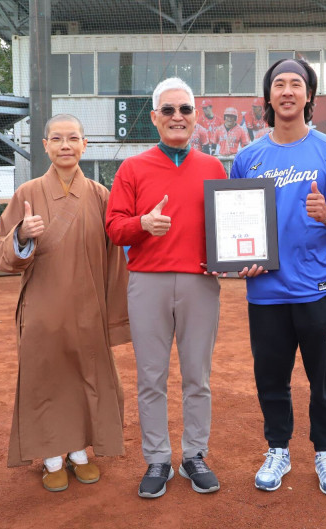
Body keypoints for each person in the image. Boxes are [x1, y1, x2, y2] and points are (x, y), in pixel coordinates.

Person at [230, 58, 326, 496]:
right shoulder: (247, 158)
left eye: (296, 84)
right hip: (265, 291)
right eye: (279, 84)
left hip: (318, 288)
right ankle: (278, 448)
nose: (287, 91)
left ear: (309, 96)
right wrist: (238, 259)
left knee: (323, 379)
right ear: (268, 97)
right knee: (271, 378)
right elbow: (236, 225)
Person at [0, 113, 131, 493]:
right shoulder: (28, 193)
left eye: (73, 138)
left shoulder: (102, 195)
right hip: (43, 308)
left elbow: (115, 258)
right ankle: (52, 457)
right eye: (57, 139)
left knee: (88, 377)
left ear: (85, 145)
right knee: (47, 379)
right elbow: (2, 254)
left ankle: (79, 451)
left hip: (89, 308)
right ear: (45, 146)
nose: (65, 145)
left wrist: (114, 316)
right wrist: (22, 234)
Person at [106, 77, 226, 498]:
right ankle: (157, 458)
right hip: (147, 282)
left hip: (200, 283)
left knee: (198, 377)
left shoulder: (214, 167)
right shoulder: (132, 168)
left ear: (195, 118)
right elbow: (114, 227)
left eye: (186, 110)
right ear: (154, 117)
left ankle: (194, 455)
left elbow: (226, 227)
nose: (178, 117)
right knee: (151, 378)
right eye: (169, 110)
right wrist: (142, 224)